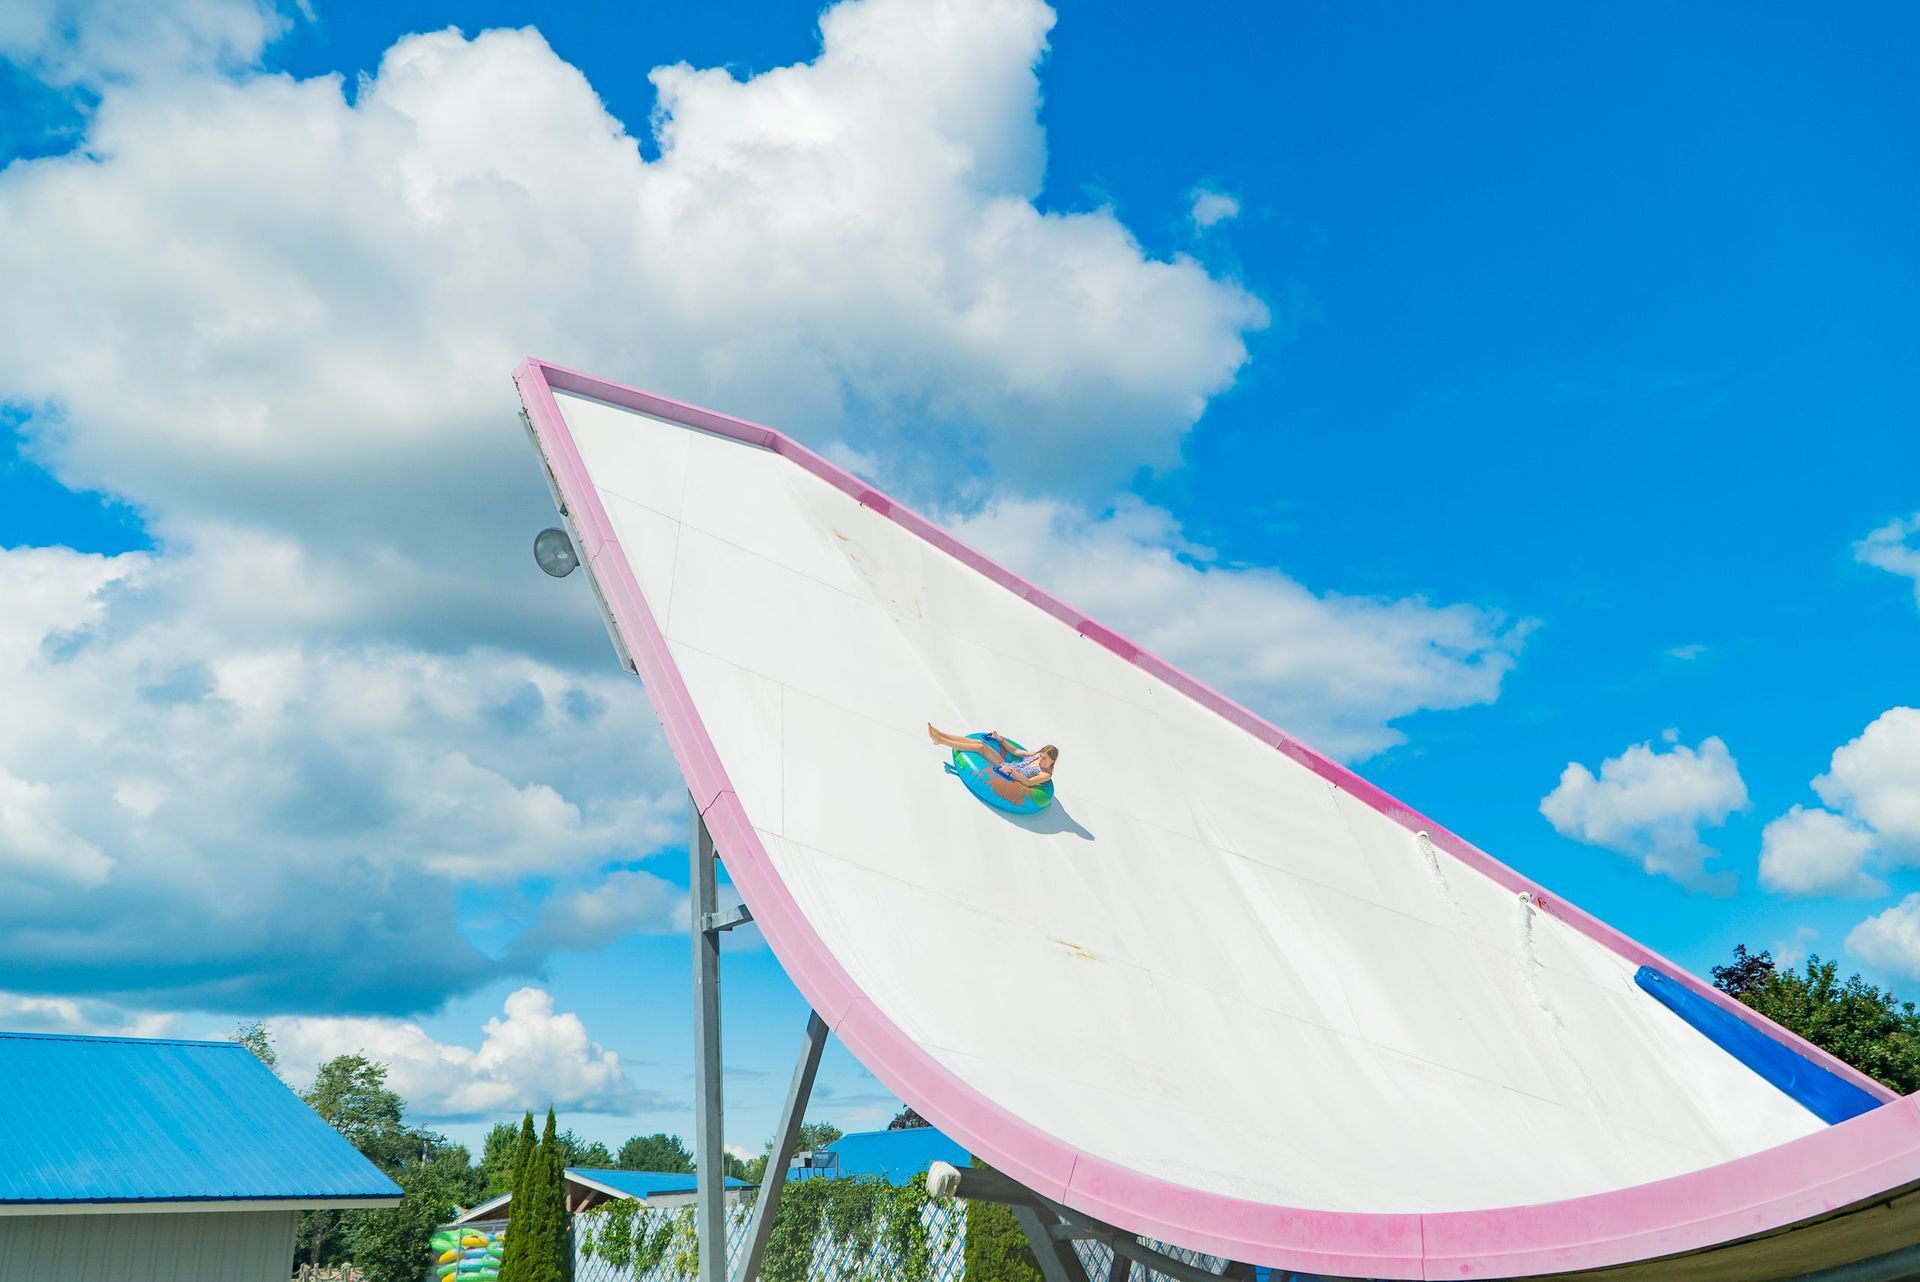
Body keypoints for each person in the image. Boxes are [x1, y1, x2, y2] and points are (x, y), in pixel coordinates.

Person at [927, 724, 1059, 798]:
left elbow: (1028, 782)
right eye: (1041, 755)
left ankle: (941, 741)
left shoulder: (1046, 774)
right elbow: (1016, 752)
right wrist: (1001, 740)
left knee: (979, 748)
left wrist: (1013, 771)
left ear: (1052, 762)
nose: (1041, 759)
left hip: (1010, 776)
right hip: (1008, 766)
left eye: (1045, 759)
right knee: (980, 743)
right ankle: (941, 734)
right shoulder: (1036, 755)